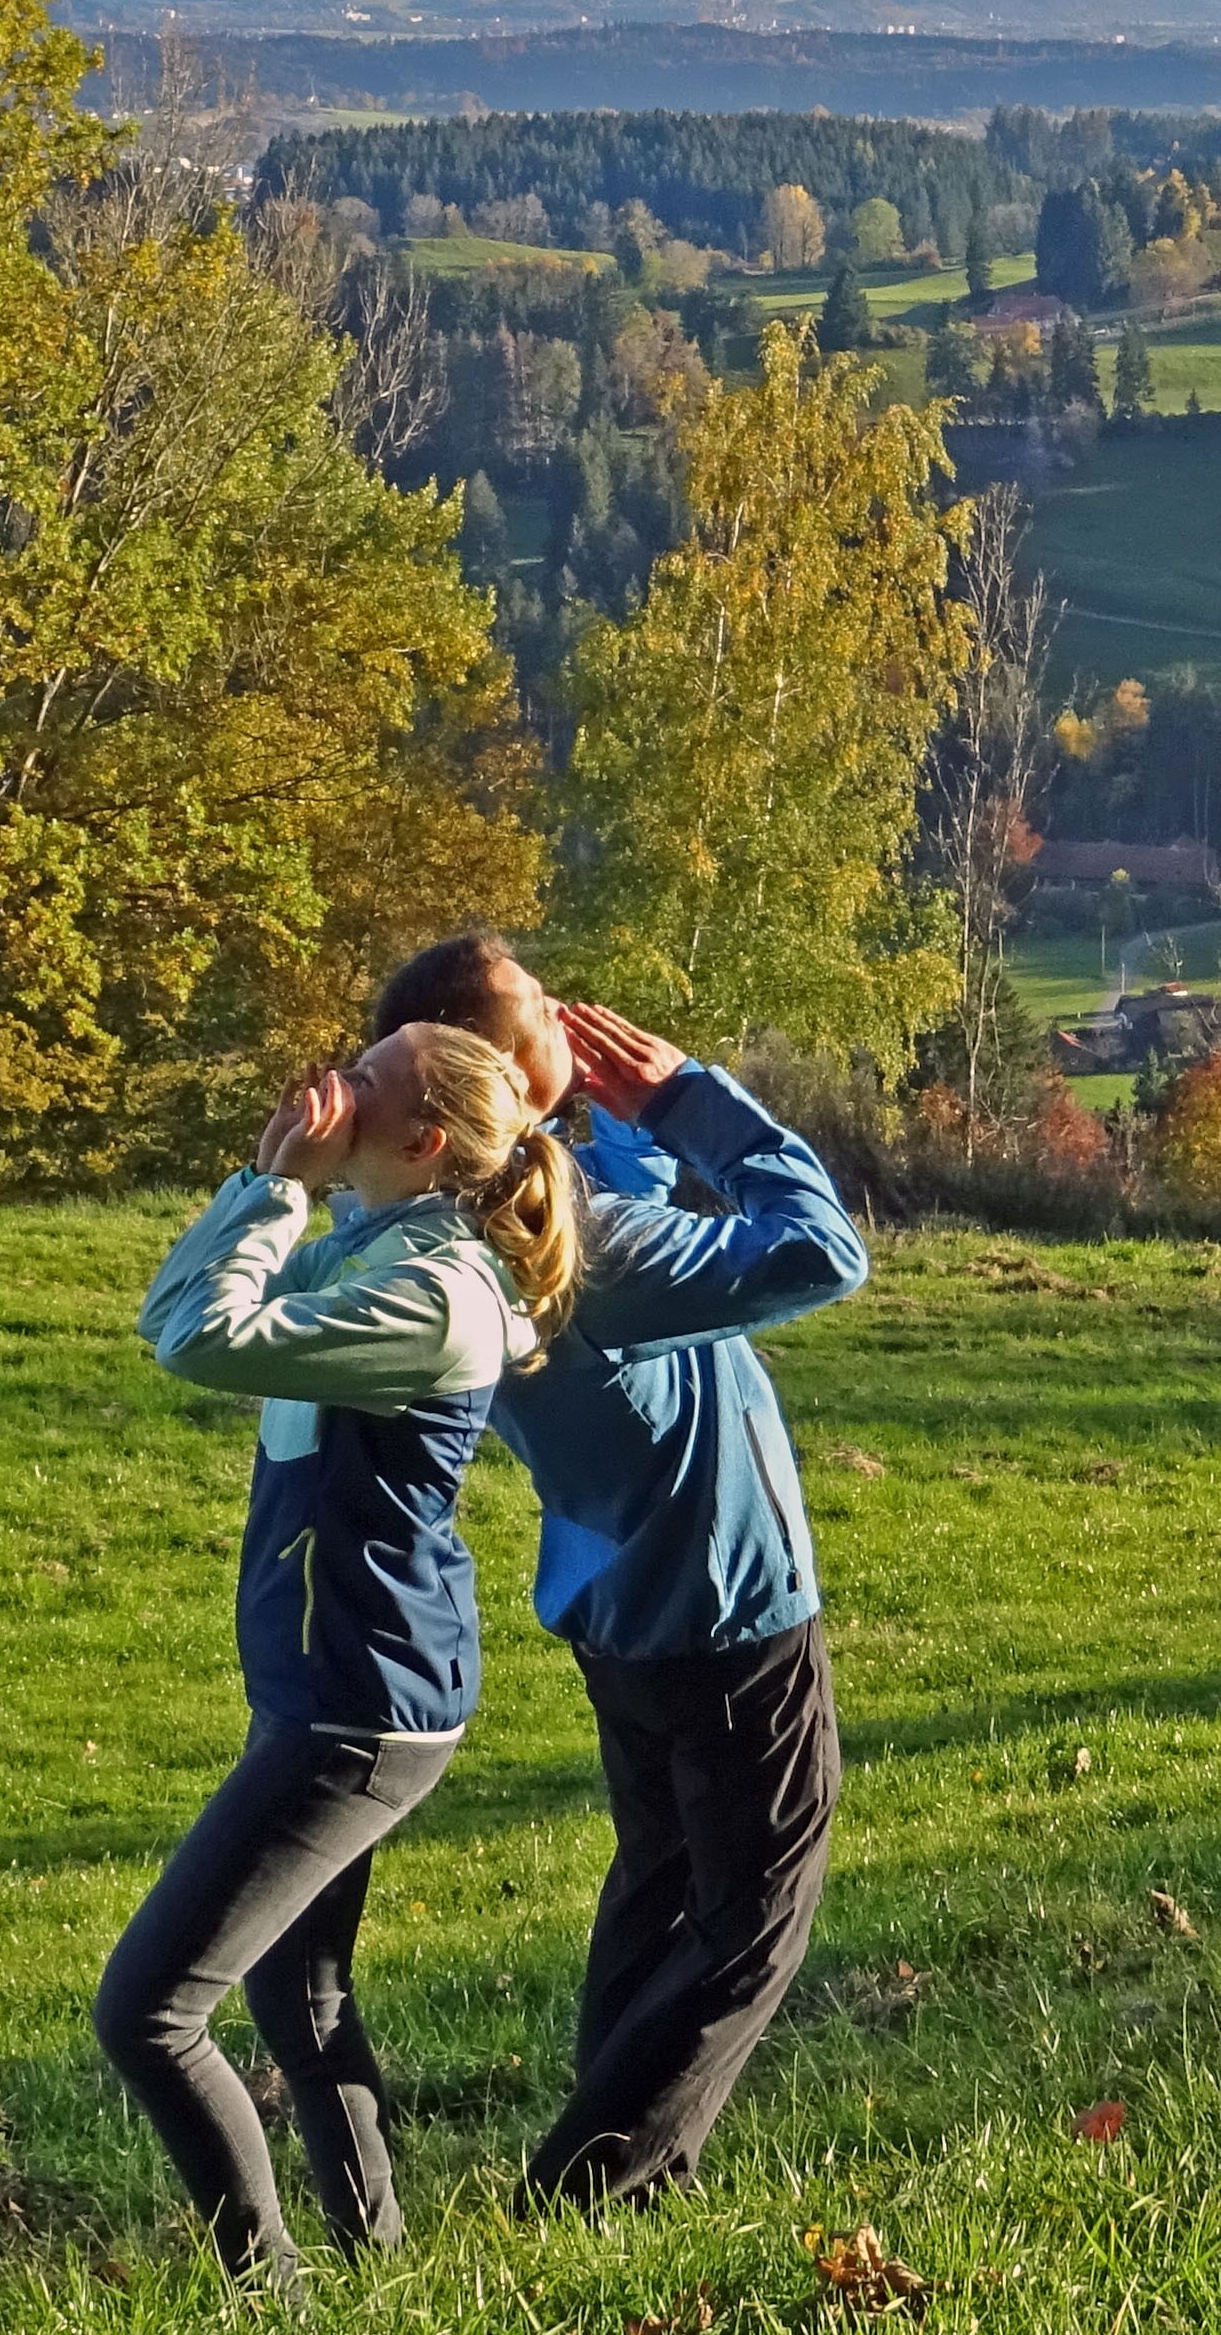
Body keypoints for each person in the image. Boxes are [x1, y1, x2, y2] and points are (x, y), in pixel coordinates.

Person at [367, 933, 864, 2210]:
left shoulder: (463, 1217)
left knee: (661, 1897)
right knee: (749, 1922)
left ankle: (632, 2186)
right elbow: (819, 1252)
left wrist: (603, 1111)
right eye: (541, 1008)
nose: (572, 1013)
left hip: (624, 1610)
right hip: (728, 1611)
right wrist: (695, 1097)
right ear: (500, 1067)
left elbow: (603, 1188)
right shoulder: (584, 1244)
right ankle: (591, 2187)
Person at [92, 1019, 583, 2293]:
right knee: (296, 2003)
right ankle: (381, 2274)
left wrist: (282, 1187)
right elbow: (173, 1316)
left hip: (359, 1712)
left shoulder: (426, 1296)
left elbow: (204, 1341)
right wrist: (275, 1190)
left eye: (366, 1079)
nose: (332, 1083)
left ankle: (273, 2294)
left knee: (150, 2012)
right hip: (340, 1689)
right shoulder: (376, 1253)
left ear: (420, 1141)